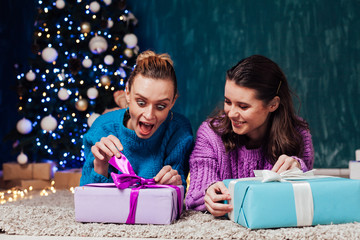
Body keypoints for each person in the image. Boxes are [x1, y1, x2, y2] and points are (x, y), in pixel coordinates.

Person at [185, 55, 314, 216]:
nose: (231, 113)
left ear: (273, 104)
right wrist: (208, 193)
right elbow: (196, 192)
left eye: (243, 106)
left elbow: (306, 197)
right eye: (227, 101)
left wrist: (297, 168)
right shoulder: (210, 134)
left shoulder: (298, 134)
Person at [80, 50, 194, 190]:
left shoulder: (179, 131)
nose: (149, 115)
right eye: (141, 103)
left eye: (160, 106)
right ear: (127, 93)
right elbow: (88, 200)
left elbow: (176, 198)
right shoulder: (102, 128)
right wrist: (100, 166)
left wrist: (175, 186)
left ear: (172, 102)